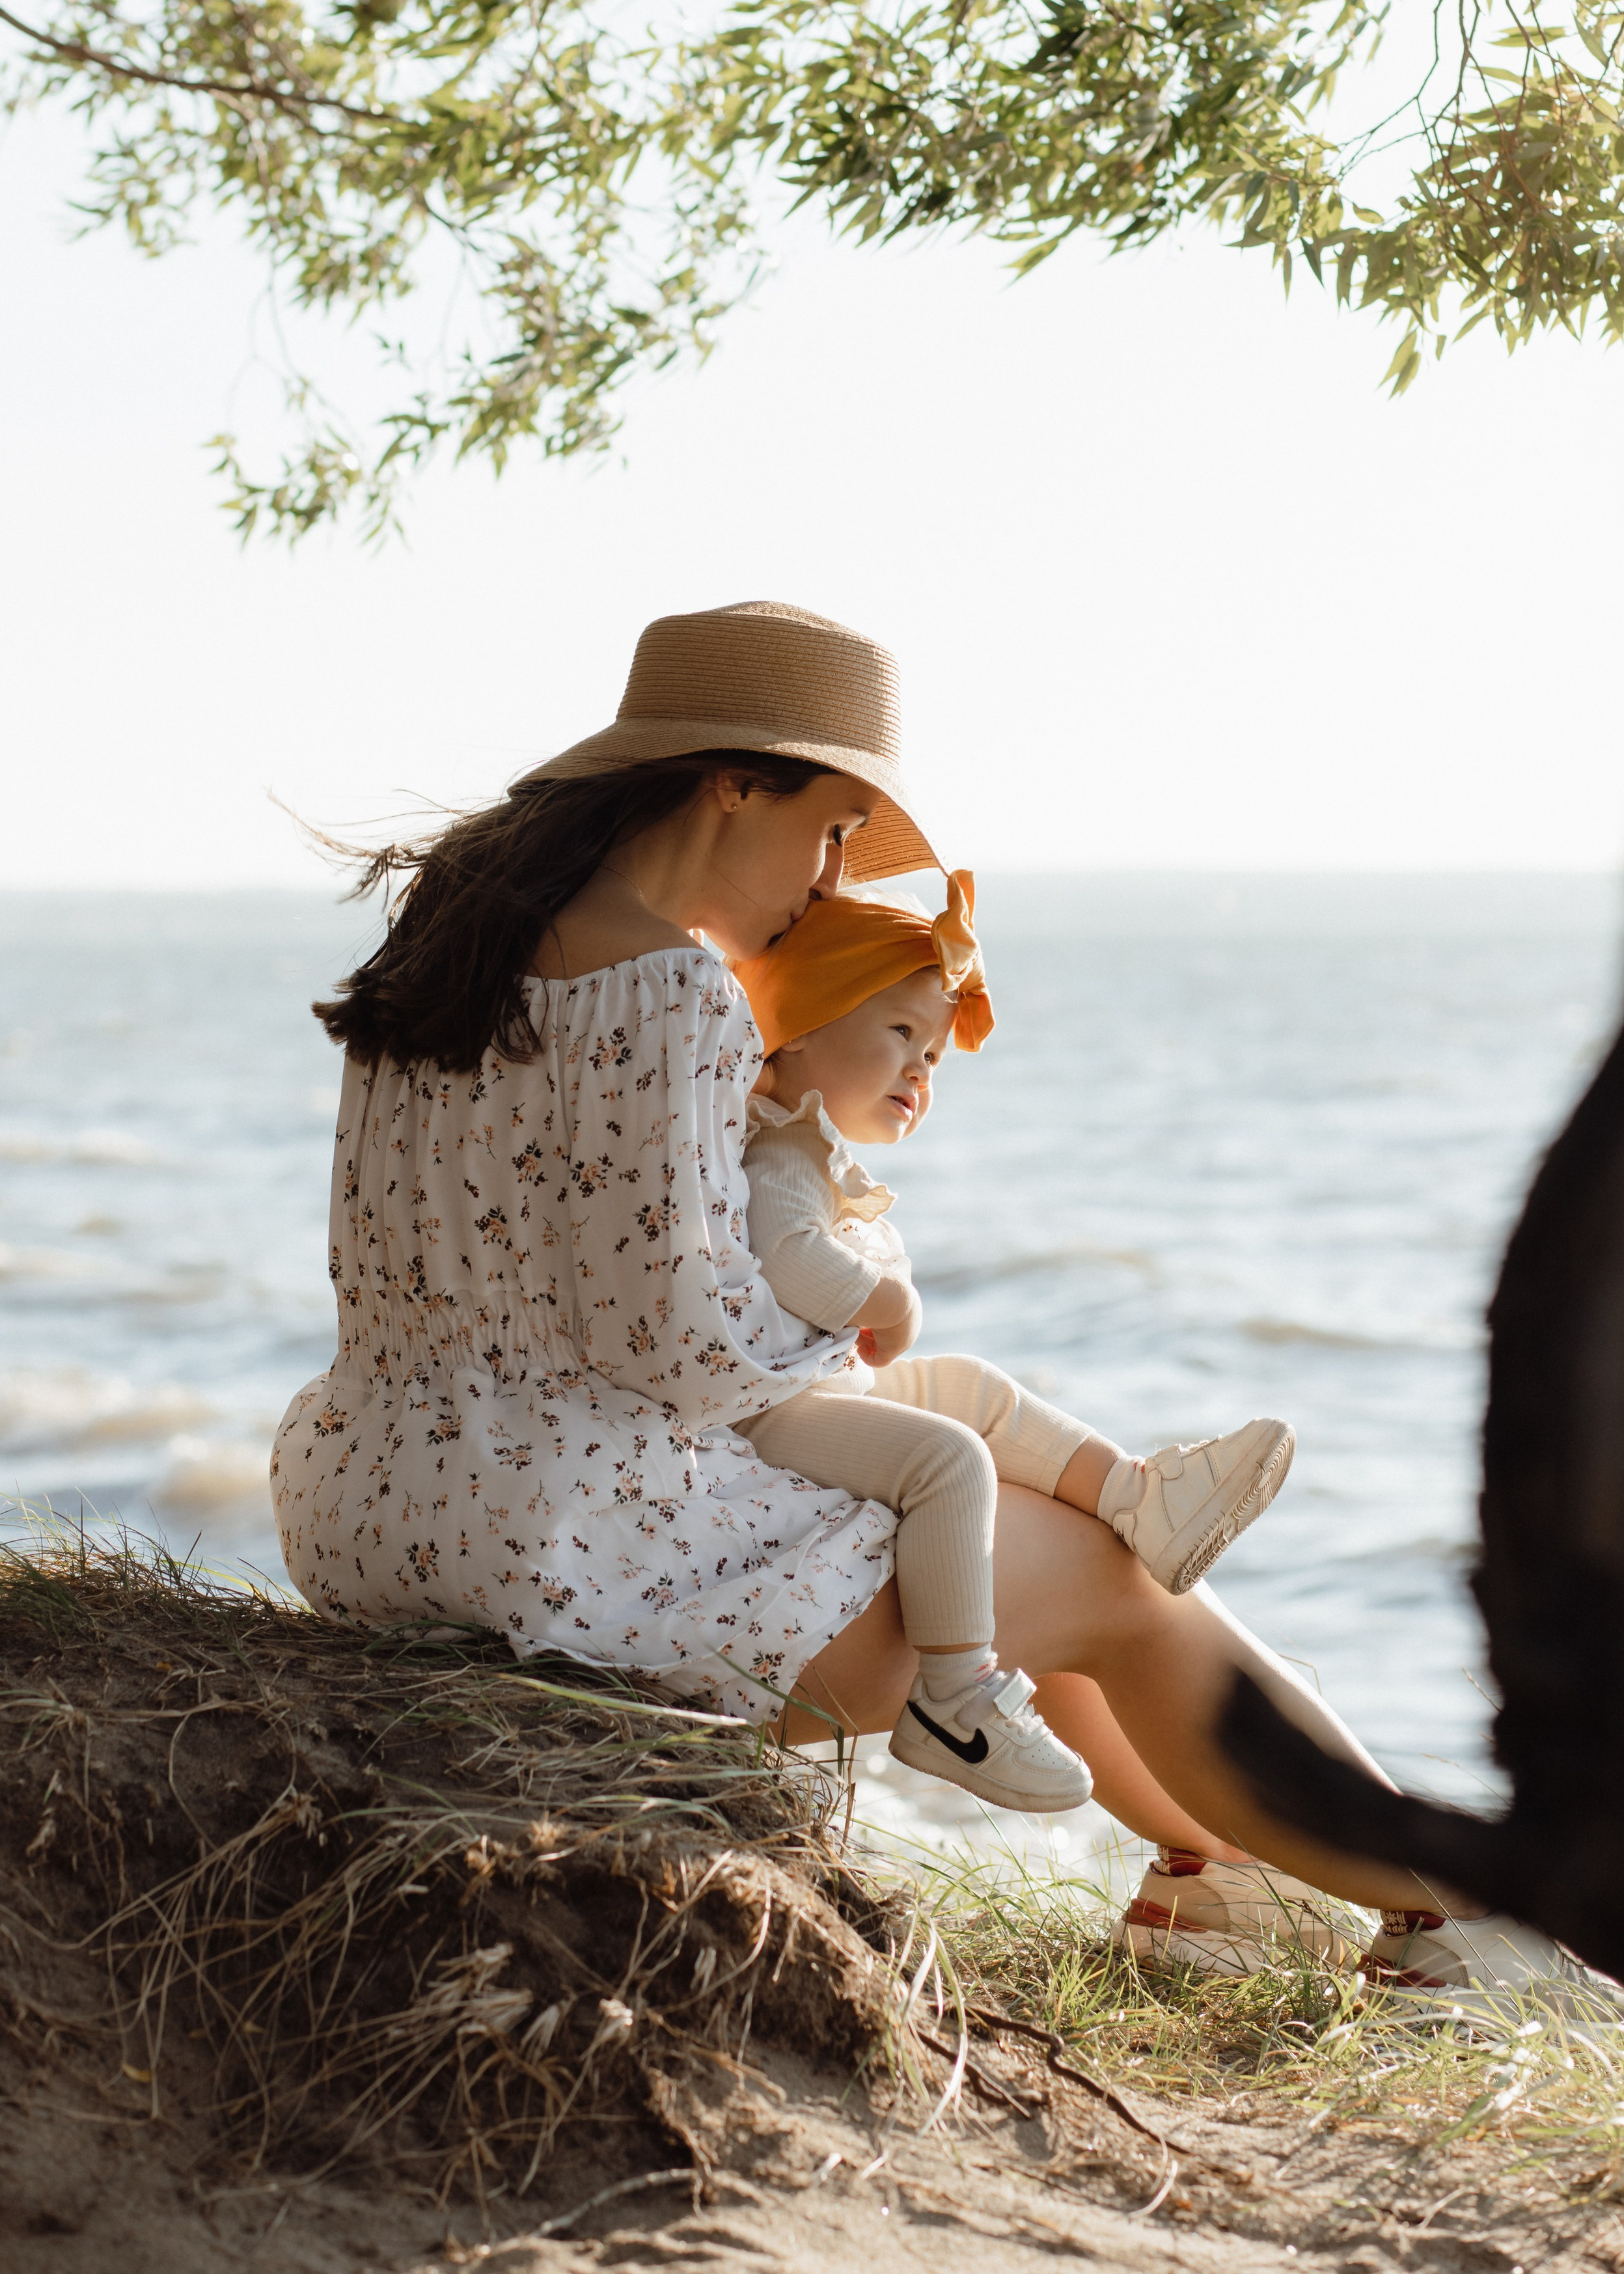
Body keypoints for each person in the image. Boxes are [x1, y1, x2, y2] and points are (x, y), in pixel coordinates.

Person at [271, 597, 1598, 1999]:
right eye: (835, 829)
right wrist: (860, 1323)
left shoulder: (450, 944)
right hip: (578, 1555)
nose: (829, 880)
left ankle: (1214, 1885)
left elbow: (438, 1272)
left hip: (385, 1505)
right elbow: (680, 1346)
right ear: (732, 784)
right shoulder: (671, 989)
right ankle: (1463, 1918)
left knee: (1030, 1542)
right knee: (1121, 1584)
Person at [730, 875, 1293, 1816]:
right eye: (900, 1033)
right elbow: (791, 1258)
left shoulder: (809, 1150)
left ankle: (1138, 1497)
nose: (921, 1071)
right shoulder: (781, 1154)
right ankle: (955, 1696)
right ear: (798, 1028)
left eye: (934, 1056)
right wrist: (888, 1301)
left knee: (973, 1387)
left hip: (808, 1386)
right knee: (947, 1459)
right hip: (767, 1413)